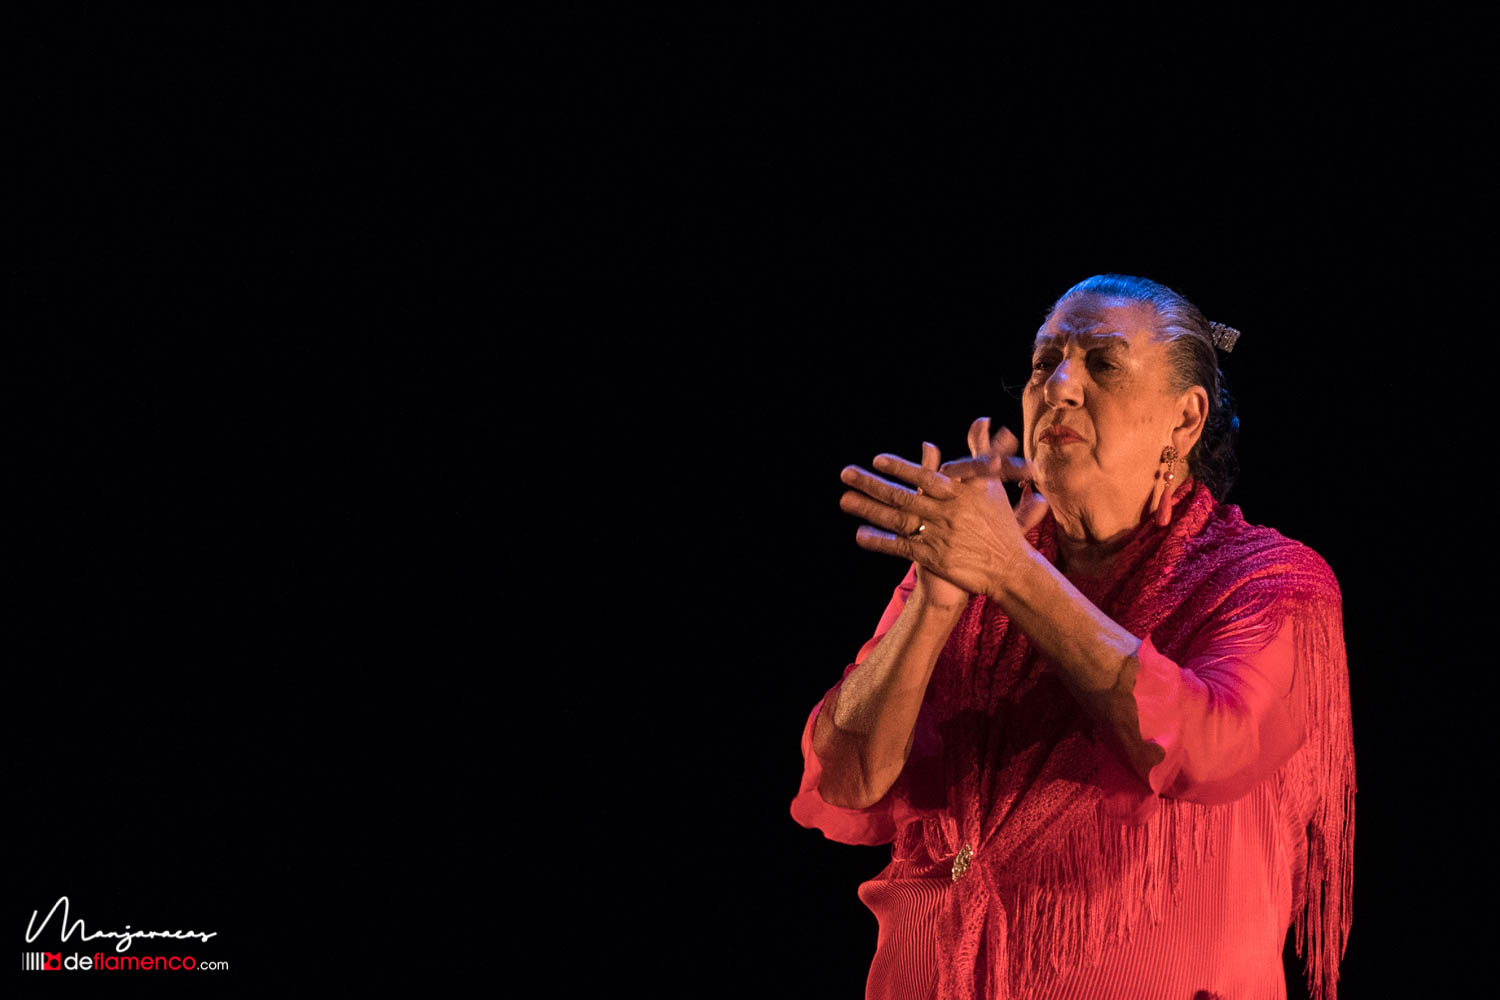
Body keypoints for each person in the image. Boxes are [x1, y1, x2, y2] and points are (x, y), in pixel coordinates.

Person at [790, 274, 1355, 1000]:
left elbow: (1208, 747)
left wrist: (1013, 573)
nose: (1057, 386)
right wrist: (934, 603)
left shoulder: (1269, 580)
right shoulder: (978, 554)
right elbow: (845, 782)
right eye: (1043, 362)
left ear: (1184, 421)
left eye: (1103, 363)